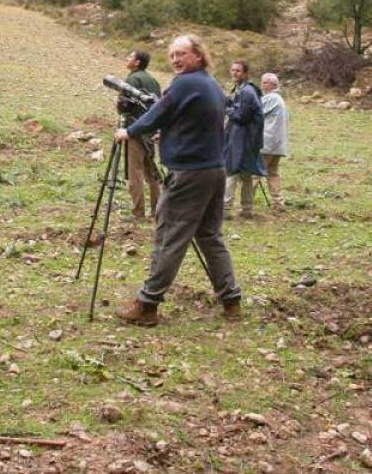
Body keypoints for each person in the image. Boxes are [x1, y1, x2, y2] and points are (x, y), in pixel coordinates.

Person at [113, 35, 242, 325]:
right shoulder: (211, 84)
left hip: (189, 173)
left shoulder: (185, 83)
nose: (175, 60)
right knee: (210, 236)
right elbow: (197, 120)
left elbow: (158, 112)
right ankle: (231, 300)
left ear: (198, 55)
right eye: (172, 55)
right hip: (214, 169)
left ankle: (147, 305)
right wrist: (172, 134)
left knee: (169, 237)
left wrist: (130, 131)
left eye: (181, 53)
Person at [118, 50, 161, 219]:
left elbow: (124, 106)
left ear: (136, 62)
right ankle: (157, 210)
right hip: (151, 131)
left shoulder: (132, 79)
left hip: (134, 130)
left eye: (130, 57)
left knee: (135, 172)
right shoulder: (153, 80)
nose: (127, 59)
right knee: (152, 172)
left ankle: (138, 212)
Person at [223, 61, 266, 219]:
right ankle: (247, 209)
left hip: (243, 138)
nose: (234, 73)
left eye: (238, 71)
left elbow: (241, 116)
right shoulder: (241, 89)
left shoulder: (247, 91)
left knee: (232, 171)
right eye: (233, 70)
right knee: (245, 173)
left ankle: (226, 210)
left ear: (245, 73)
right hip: (242, 137)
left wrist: (226, 108)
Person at [257, 72, 289, 211]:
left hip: (267, 143)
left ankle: (246, 205)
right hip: (278, 145)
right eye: (262, 82)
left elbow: (255, 111)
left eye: (265, 82)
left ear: (273, 85)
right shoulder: (279, 99)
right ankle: (278, 202)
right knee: (272, 172)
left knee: (254, 173)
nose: (262, 85)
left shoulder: (271, 98)